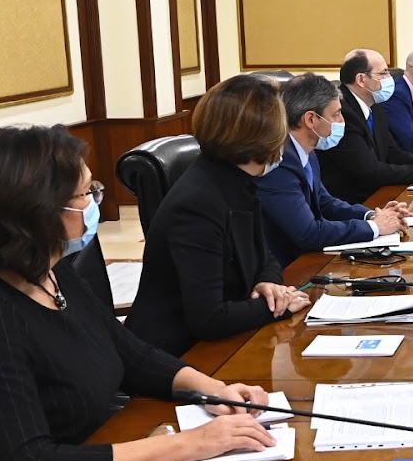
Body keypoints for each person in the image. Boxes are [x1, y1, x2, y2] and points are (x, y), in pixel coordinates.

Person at [0, 125, 278, 461]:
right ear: (37, 213)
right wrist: (189, 444)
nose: (95, 202)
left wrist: (213, 390)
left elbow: (130, 354)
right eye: (85, 194)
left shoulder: (51, 272)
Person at [125, 75, 309, 356]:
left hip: (230, 335)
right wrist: (277, 307)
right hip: (178, 354)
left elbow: (266, 257)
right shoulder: (197, 205)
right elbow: (208, 319)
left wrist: (268, 283)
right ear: (261, 137)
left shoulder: (236, 181)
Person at [259, 73, 412, 266]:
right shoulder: (279, 163)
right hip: (288, 267)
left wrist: (372, 215)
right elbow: (308, 233)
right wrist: (373, 227)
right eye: (336, 114)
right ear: (311, 119)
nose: (342, 120)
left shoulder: (307, 150)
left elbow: (325, 202)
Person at [321, 48, 413, 204]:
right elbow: (370, 171)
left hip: (377, 193)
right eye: (383, 73)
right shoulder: (342, 113)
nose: (390, 78)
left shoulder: (375, 106)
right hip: (354, 202)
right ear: (361, 79)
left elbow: (392, 153)